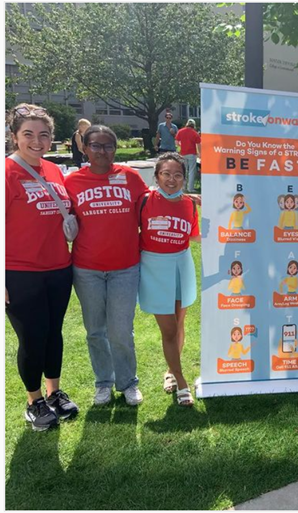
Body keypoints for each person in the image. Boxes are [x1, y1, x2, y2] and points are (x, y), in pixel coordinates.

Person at [5, 103, 79, 431]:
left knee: (53, 333)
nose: (37, 141)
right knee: (32, 337)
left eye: (44, 135)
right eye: (28, 134)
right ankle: (34, 400)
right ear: (14, 137)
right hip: (20, 272)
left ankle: (53, 392)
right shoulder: (7, 173)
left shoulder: (53, 171)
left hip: (58, 268)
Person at [64, 125, 149, 406]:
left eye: (108, 146)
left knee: (121, 330)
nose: (102, 151)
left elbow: (153, 204)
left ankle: (127, 382)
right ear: (85, 148)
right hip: (87, 269)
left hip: (125, 267)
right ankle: (103, 382)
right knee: (95, 330)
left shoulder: (131, 178)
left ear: (115, 149)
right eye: (96, 146)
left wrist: (182, 199)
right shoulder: (72, 181)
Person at [138, 152, 200, 406]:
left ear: (184, 179)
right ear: (156, 176)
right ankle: (181, 380)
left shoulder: (190, 204)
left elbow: (195, 236)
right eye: (166, 174)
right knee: (169, 328)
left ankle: (170, 371)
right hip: (154, 266)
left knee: (180, 323)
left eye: (177, 175)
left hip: (181, 264)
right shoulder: (143, 201)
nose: (171, 179)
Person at [175, 119, 201, 193]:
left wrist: (181, 145)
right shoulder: (195, 133)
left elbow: (176, 142)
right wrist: (200, 153)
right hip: (192, 154)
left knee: (184, 171)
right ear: (193, 125)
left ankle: (183, 187)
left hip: (182, 154)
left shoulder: (180, 131)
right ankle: (190, 188)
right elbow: (198, 144)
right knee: (192, 171)